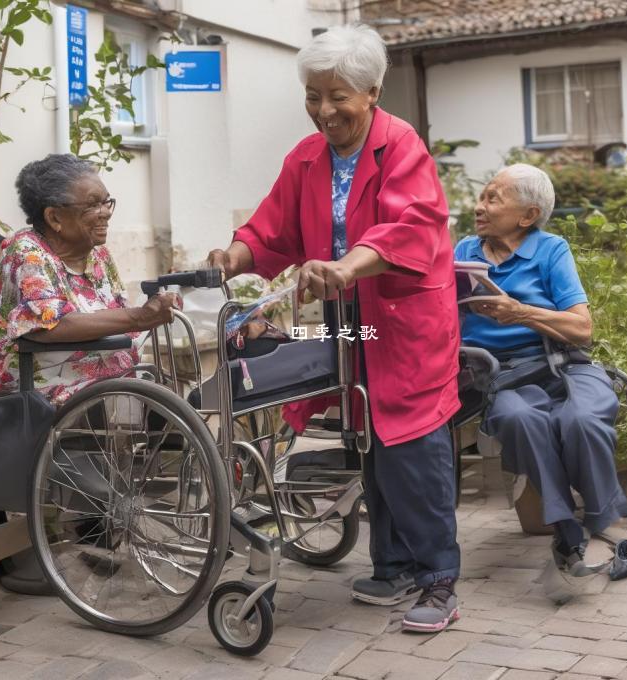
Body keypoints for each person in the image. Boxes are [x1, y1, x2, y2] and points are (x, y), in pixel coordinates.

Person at [208, 25, 461, 632]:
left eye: (337, 96)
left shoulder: (402, 148)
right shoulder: (307, 157)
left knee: (411, 444)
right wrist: (237, 255)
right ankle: (395, 564)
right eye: (313, 95)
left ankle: (439, 579)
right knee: (366, 431)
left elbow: (411, 227)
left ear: (372, 91)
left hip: (405, 323)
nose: (323, 110)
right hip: (352, 325)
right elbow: (273, 228)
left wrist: (346, 266)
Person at [455, 163, 627, 574]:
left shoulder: (550, 249)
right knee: (517, 417)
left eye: (493, 198)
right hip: (502, 373)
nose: (479, 207)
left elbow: (582, 329)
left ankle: (601, 526)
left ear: (528, 216)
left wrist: (520, 313)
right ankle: (566, 528)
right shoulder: (463, 252)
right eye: (482, 196)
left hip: (563, 363)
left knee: (583, 419)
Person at [0, 154, 178, 405]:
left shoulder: (97, 254)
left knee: (155, 391)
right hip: (21, 378)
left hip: (83, 372)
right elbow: (48, 326)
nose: (105, 213)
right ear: (55, 218)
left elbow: (115, 315)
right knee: (132, 395)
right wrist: (140, 316)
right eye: (92, 205)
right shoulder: (29, 254)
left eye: (106, 203)